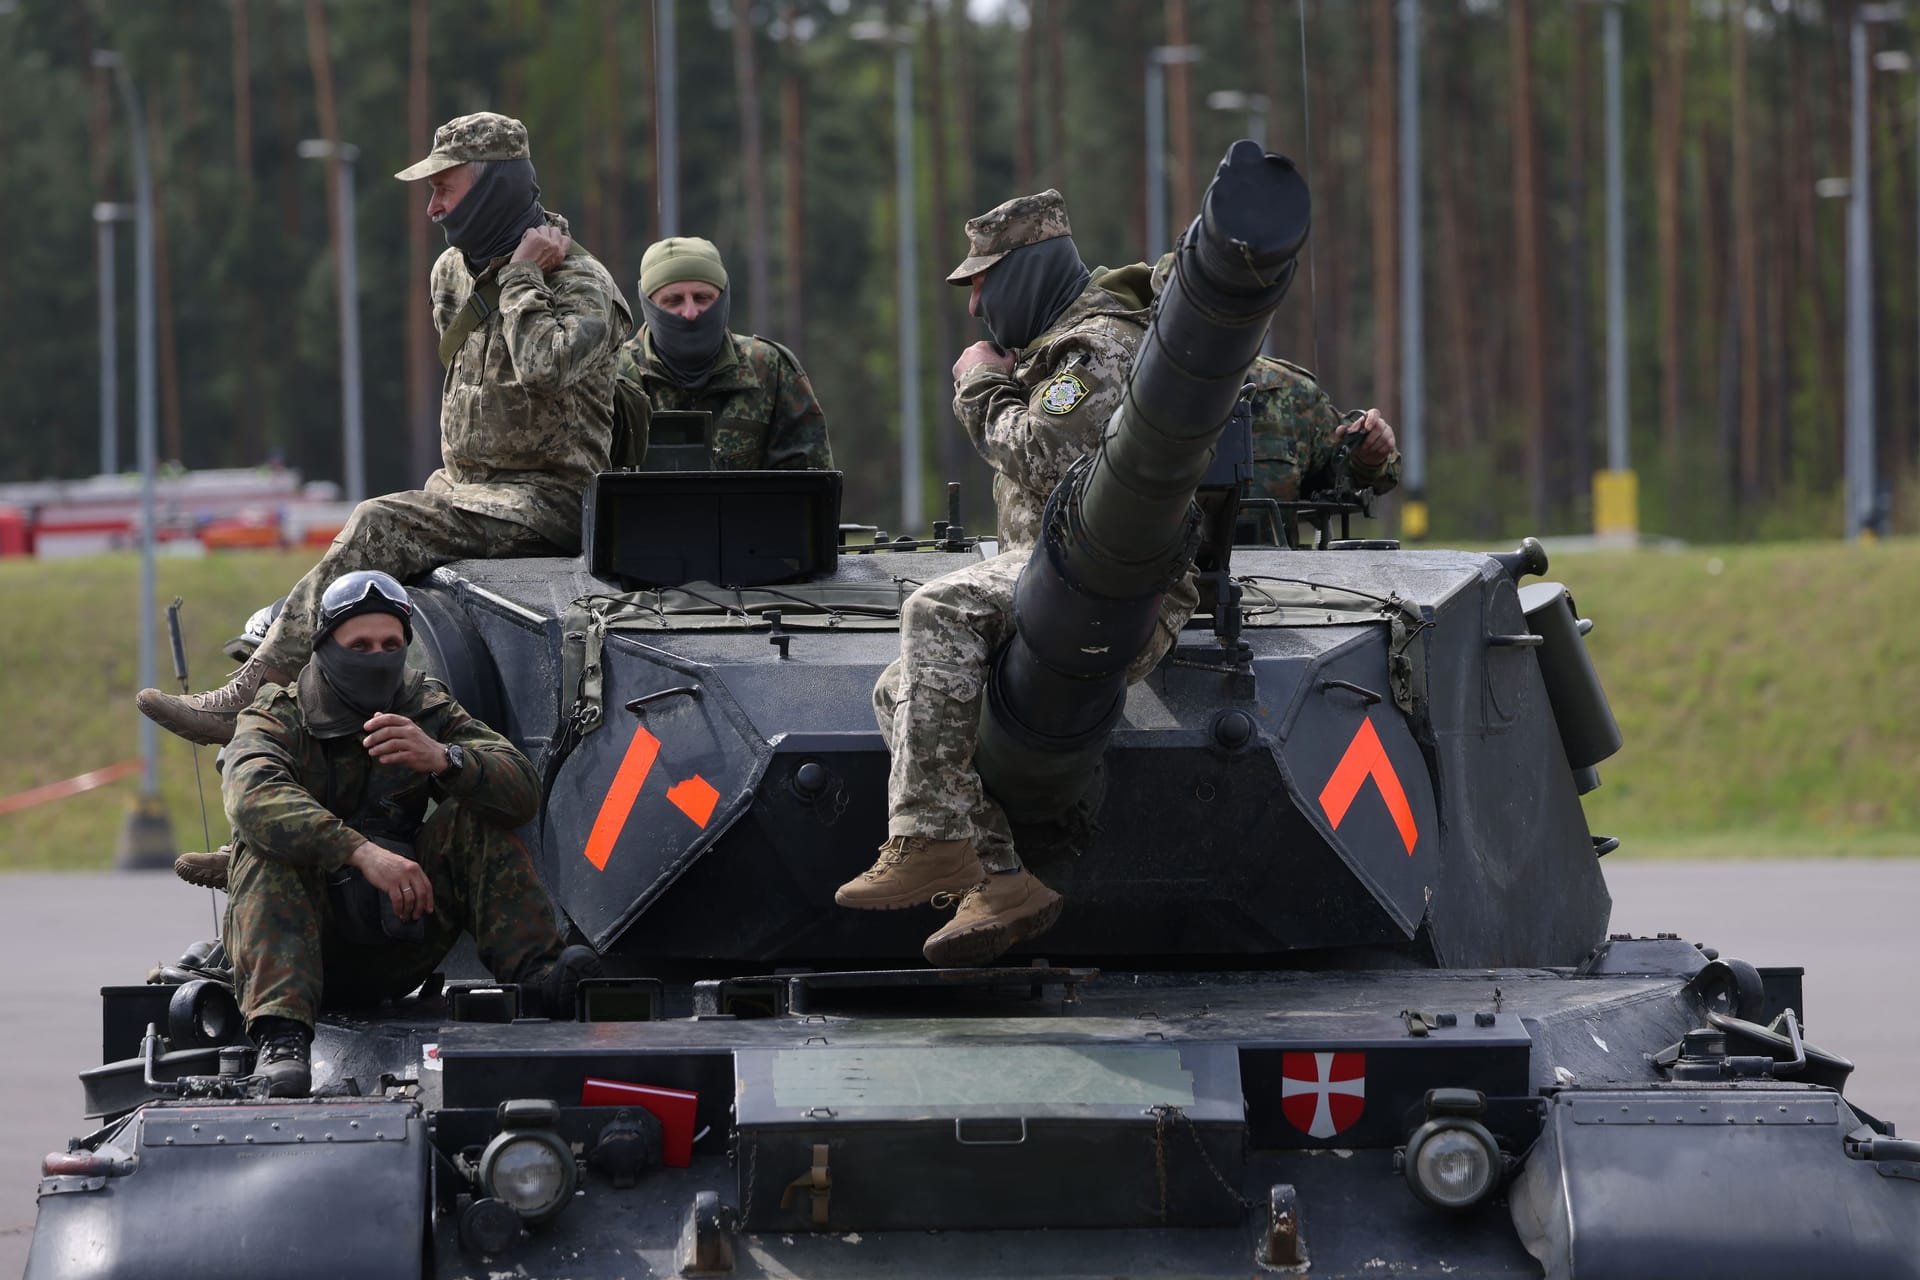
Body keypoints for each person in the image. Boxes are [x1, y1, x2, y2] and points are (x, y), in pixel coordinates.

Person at [137, 112, 634, 746]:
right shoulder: (451, 273)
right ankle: (287, 758)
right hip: (463, 492)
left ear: (493, 190)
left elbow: (543, 369)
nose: (433, 209)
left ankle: (249, 699)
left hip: (548, 502)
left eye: (444, 190)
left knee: (378, 523)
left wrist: (520, 276)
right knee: (366, 603)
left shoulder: (583, 283)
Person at [836, 189, 1195, 967]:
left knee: (937, 607)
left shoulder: (1095, 347)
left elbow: (1049, 452)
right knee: (898, 689)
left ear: (1025, 273)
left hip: (1113, 590)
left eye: (981, 283)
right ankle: (1000, 878)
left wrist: (979, 386)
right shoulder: (1058, 348)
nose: (974, 309)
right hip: (1049, 577)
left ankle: (928, 836)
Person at [222, 570, 601, 1098]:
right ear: (326, 648)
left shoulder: (424, 706)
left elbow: (521, 790)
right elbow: (251, 798)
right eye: (359, 645)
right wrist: (360, 852)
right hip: (306, 951)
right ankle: (281, 1038)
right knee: (266, 848)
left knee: (474, 813)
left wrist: (446, 760)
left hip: (399, 935)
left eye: (389, 645)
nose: (376, 657)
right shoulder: (279, 715)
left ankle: (537, 977)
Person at [1147, 252, 1399, 506]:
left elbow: (1350, 469)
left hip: (1266, 546)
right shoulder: (1125, 392)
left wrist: (1369, 454)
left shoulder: (1288, 395)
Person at [614, 236, 832, 469]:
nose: (690, 312)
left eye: (702, 298)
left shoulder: (769, 369)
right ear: (649, 305)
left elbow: (810, 484)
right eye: (673, 300)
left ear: (723, 298)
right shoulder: (615, 378)